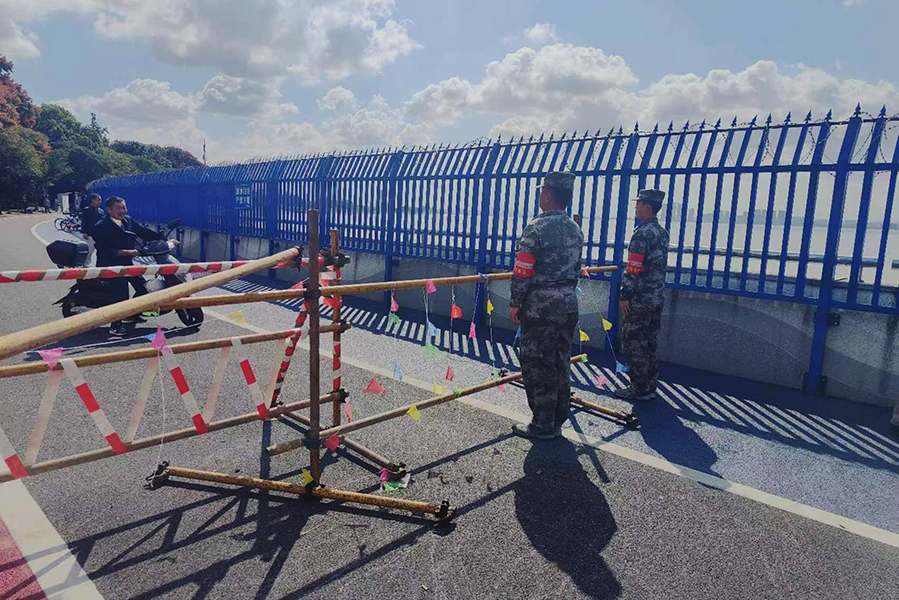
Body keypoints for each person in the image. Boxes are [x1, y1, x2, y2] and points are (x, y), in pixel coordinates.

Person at [509, 171, 584, 440]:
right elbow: (575, 268)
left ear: (549, 195)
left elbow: (523, 269)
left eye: (542, 191)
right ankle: (557, 419)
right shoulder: (575, 229)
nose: (540, 195)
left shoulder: (536, 228)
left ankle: (542, 424)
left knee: (538, 364)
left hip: (541, 307)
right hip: (568, 303)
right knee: (560, 362)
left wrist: (516, 302)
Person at [614, 189, 670, 401]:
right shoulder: (661, 232)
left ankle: (638, 388)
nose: (635, 207)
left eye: (638, 204)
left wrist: (625, 295)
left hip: (640, 298)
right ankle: (649, 385)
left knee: (634, 342)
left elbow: (634, 268)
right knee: (649, 341)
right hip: (656, 296)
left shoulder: (642, 234)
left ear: (647, 207)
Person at [92, 196, 166, 337]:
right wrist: (126, 252)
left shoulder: (128, 220)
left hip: (127, 264)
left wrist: (162, 238)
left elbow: (143, 232)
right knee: (121, 294)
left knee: (144, 288)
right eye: (118, 208)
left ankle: (133, 314)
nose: (122, 211)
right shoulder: (101, 226)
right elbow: (104, 250)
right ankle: (115, 326)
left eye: (124, 207)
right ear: (109, 210)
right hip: (111, 266)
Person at [80, 193, 105, 266]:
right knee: (90, 250)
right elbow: (84, 222)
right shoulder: (87, 210)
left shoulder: (101, 211)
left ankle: (100, 264)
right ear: (93, 200)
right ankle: (85, 264)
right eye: (98, 200)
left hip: (99, 234)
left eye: (100, 200)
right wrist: (84, 232)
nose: (100, 201)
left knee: (101, 250)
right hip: (89, 234)